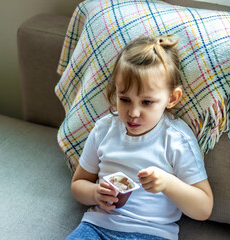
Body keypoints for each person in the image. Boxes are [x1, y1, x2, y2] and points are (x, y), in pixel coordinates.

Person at [66, 35, 213, 240]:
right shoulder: (104, 129)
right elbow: (78, 184)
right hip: (97, 227)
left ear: (172, 98)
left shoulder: (177, 140)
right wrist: (95, 194)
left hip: (153, 233)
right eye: (125, 99)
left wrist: (167, 183)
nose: (133, 112)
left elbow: (203, 208)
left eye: (146, 102)